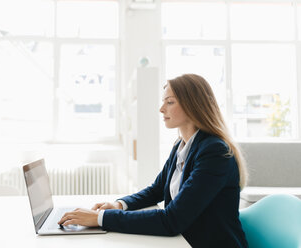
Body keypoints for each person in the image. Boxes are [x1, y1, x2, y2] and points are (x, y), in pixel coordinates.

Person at [58, 74, 249, 248]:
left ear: (193, 105)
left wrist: (100, 218)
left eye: (170, 102)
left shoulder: (214, 152)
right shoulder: (181, 145)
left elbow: (172, 220)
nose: (161, 109)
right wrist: (119, 205)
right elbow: (157, 189)